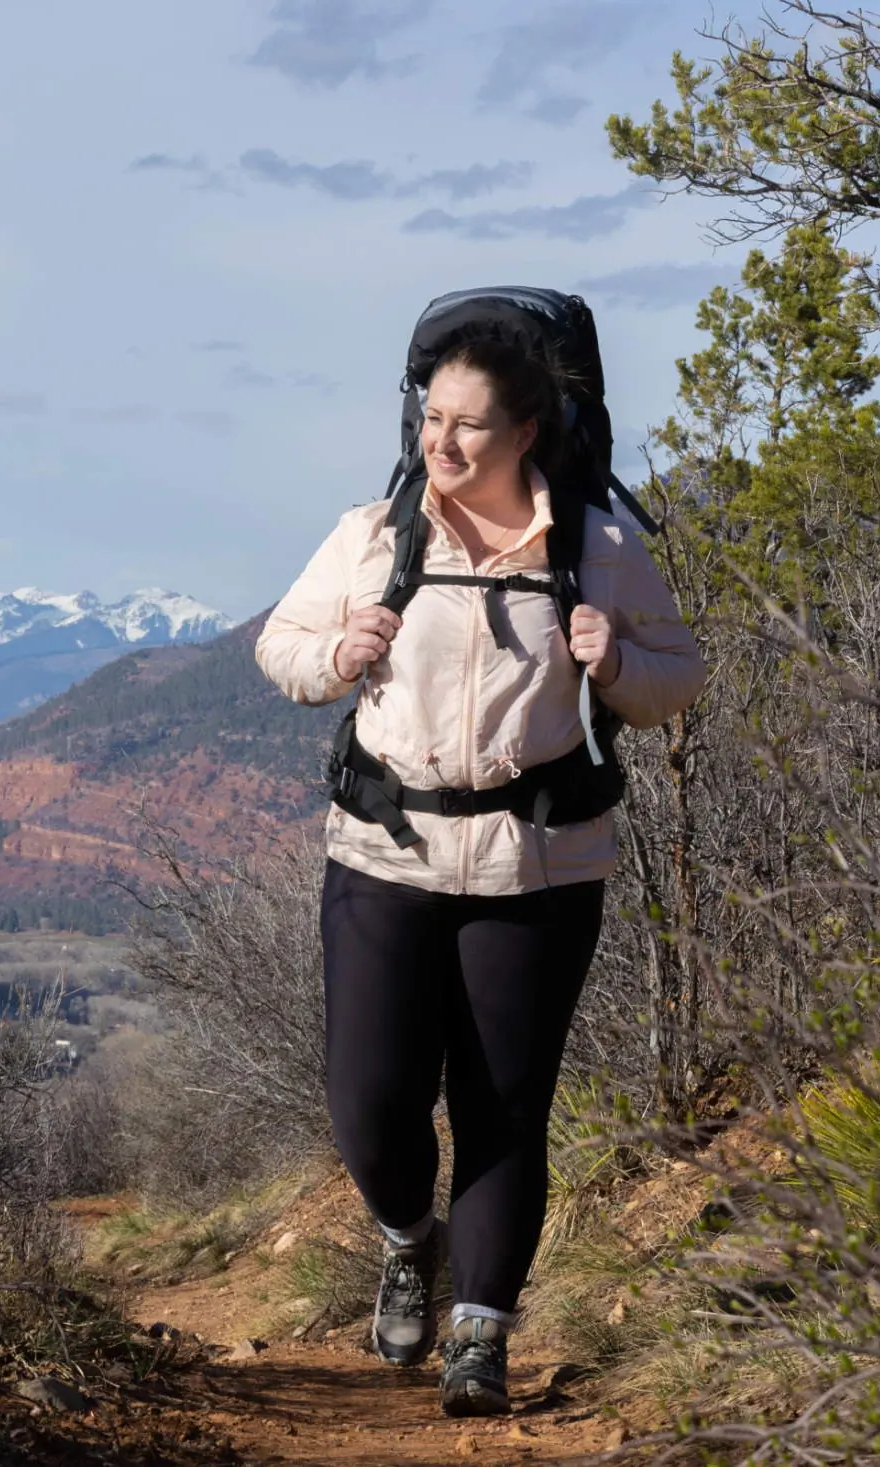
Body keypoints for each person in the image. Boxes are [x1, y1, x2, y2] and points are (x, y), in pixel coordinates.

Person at [255, 334, 705, 1416]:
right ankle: (409, 1239)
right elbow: (282, 649)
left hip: (537, 865)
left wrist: (614, 659)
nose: (441, 440)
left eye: (467, 422)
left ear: (526, 433)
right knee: (369, 1101)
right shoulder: (371, 537)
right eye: (430, 416)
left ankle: (481, 1332)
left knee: (505, 1108)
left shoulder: (595, 548)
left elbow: (674, 681)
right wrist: (338, 655)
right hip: (383, 852)